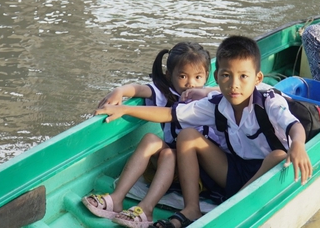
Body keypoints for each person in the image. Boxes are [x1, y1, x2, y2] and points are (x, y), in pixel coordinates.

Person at [96, 35, 312, 228]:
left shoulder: (269, 102)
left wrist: (298, 145)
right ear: (217, 77)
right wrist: (125, 108)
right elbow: (171, 114)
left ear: (257, 79)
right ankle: (192, 208)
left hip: (264, 169)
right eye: (227, 75)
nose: (234, 85)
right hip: (231, 169)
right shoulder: (216, 103)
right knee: (187, 135)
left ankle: (234, 204)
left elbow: (294, 126)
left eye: (243, 77)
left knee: (279, 155)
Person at [81, 42, 218, 228]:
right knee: (150, 140)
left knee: (169, 153)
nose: (190, 83)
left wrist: (126, 110)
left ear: (207, 77)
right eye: (183, 76)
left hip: (197, 170)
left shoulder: (207, 98)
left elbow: (219, 94)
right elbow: (138, 89)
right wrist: (119, 91)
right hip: (171, 161)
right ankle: (116, 198)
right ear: (169, 76)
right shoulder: (167, 93)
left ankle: (146, 209)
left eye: (198, 77)